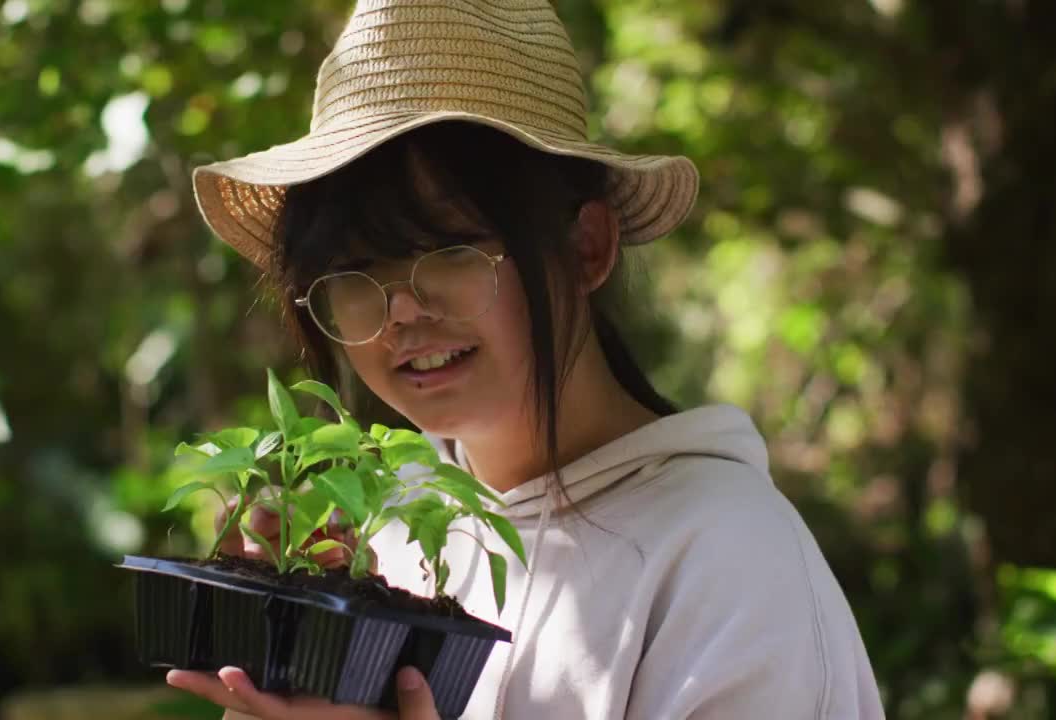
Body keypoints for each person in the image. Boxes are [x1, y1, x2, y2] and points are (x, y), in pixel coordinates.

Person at [166, 1, 885, 718]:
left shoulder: (728, 562)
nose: (400, 312)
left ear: (586, 248)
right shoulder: (391, 532)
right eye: (356, 269)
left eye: (445, 250)